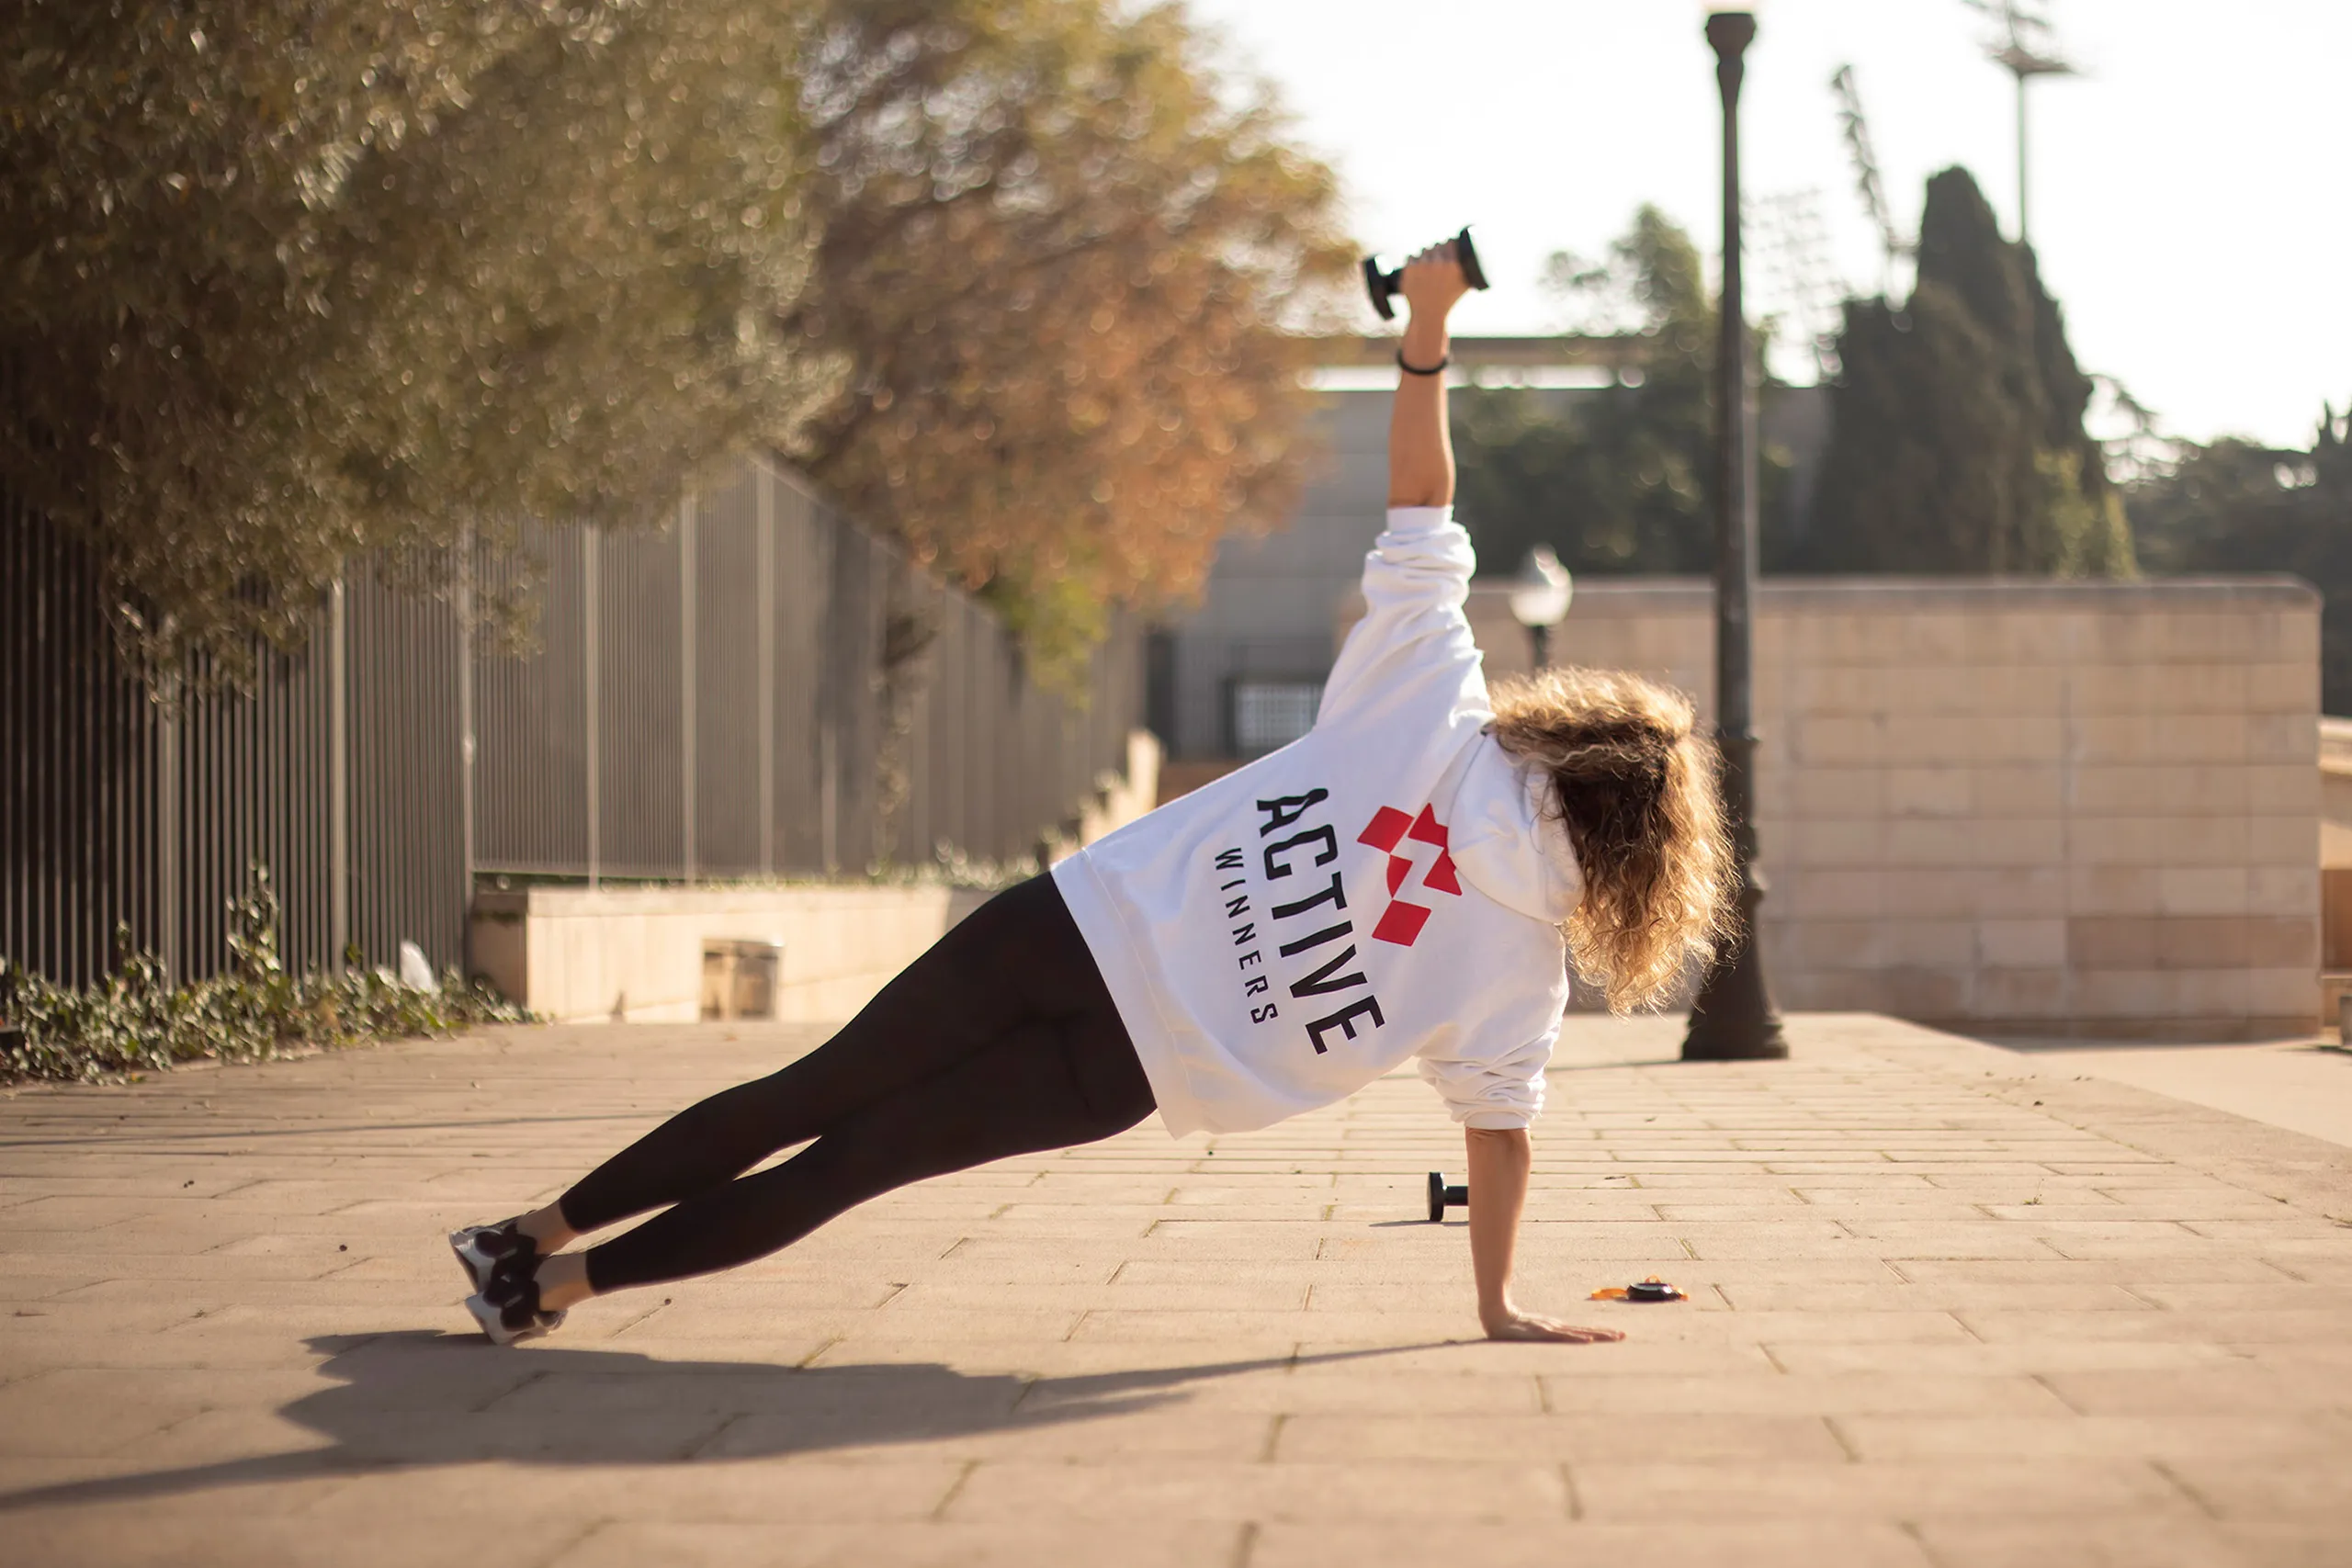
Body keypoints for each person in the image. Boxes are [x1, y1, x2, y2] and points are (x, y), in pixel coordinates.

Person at [451, 240, 1734, 1348]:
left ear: (1573, 735)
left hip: (1075, 926)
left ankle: (526, 1232)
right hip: (1129, 1066)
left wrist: (1428, 333)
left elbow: (1423, 508)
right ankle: (553, 1287)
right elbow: (1500, 1139)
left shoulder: (1433, 703)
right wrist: (1496, 1304)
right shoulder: (1521, 977)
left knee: (812, 1093)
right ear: (1642, 870)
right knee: (855, 1165)